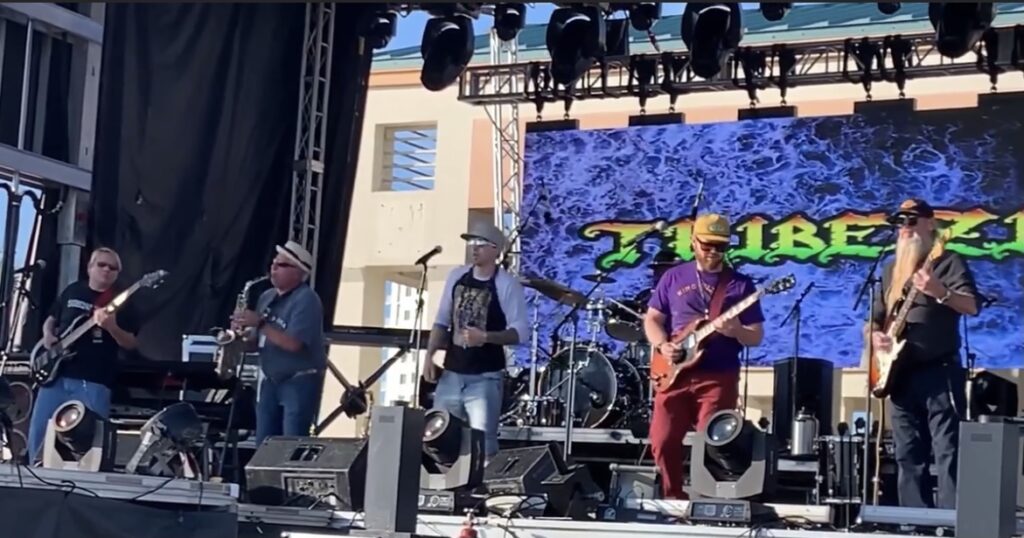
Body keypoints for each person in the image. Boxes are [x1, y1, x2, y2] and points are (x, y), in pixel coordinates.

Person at [643, 213, 765, 499]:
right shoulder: (674, 277)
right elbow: (651, 319)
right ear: (693, 242)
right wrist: (663, 345)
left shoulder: (740, 285)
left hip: (718, 376)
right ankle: (673, 498)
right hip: (674, 373)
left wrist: (736, 330)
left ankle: (707, 503)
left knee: (712, 442)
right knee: (662, 440)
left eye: (720, 247)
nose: (713, 252)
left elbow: (756, 336)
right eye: (707, 245)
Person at [868, 199, 979, 509]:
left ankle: (950, 521)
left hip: (939, 370)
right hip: (900, 374)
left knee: (948, 450)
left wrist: (939, 291)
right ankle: (914, 521)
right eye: (900, 223)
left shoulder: (947, 261)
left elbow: (971, 305)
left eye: (912, 221)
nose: (905, 228)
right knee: (907, 453)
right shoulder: (891, 269)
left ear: (931, 224)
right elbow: (876, 318)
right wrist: (876, 338)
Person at [421, 222, 530, 460]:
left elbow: (521, 332)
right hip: (452, 372)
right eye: (471, 243)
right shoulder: (457, 276)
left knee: (482, 442)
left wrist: (486, 337)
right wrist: (429, 355)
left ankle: (482, 490)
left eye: (480, 244)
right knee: (440, 434)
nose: (474, 248)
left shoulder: (506, 284)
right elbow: (442, 320)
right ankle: (444, 488)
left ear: (495, 250)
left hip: (485, 377)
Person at [29, 247, 140, 463]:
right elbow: (52, 316)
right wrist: (48, 335)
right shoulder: (73, 290)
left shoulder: (122, 302)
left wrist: (111, 327)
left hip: (93, 379)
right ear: (90, 267)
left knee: (89, 440)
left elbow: (131, 343)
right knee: (40, 429)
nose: (107, 270)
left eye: (113, 267)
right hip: (56, 376)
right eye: (102, 265)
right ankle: (34, 471)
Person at [234, 240, 325, 445]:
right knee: (263, 445)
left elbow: (294, 344)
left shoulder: (307, 299)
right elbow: (258, 343)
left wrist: (260, 323)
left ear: (298, 271)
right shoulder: (267, 297)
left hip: (298, 381)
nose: (273, 269)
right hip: (270, 380)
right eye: (273, 264)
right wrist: (241, 335)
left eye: (281, 265)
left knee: (290, 445)